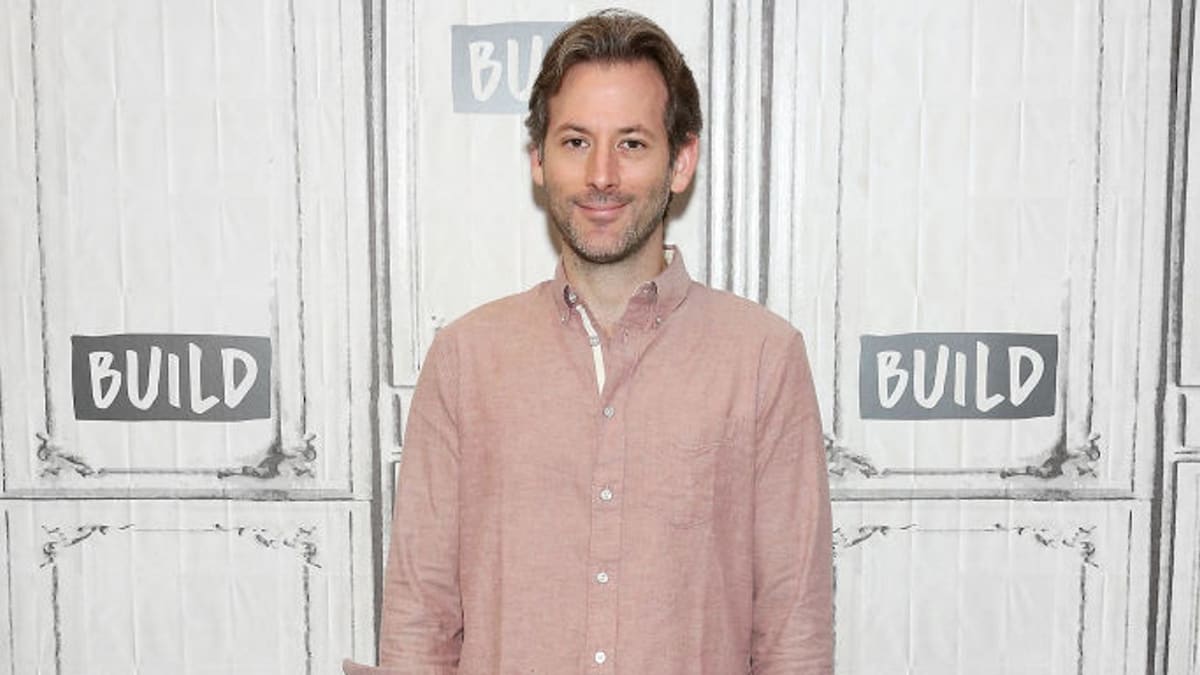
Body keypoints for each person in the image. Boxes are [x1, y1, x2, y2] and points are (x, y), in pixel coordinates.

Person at [346, 8, 832, 674]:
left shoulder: (763, 361)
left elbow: (793, 635)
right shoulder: (465, 360)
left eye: (631, 143)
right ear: (539, 160)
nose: (602, 174)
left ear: (681, 161)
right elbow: (418, 624)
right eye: (576, 142)